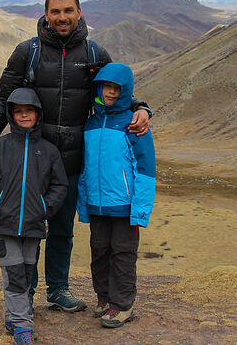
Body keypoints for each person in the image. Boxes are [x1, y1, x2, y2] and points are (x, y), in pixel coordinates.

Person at [0, 0, 151, 313]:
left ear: (79, 13)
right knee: (27, 229)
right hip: (31, 159)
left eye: (68, 11)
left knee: (62, 229)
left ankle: (57, 289)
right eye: (55, 12)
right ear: (45, 14)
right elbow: (3, 97)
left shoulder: (94, 54)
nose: (61, 18)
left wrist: (142, 108)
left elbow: (119, 91)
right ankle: (23, 298)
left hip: (71, 161)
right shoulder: (25, 52)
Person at [0, 87, 68, 344]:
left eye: (29, 111)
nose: (24, 116)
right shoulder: (1, 146)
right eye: (18, 112)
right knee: (15, 276)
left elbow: (60, 186)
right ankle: (23, 328)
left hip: (34, 225)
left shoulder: (49, 151)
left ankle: (11, 317)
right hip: (5, 225)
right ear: (11, 115)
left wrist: (44, 208)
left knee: (25, 275)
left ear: (37, 114)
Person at [76, 62, 156, 328]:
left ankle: (122, 306)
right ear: (98, 88)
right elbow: (86, 168)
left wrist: (140, 210)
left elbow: (145, 170)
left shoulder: (133, 124)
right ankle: (104, 299)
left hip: (124, 205)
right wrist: (84, 205)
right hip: (97, 204)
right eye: (105, 87)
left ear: (126, 91)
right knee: (99, 251)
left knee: (122, 254)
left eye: (116, 88)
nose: (110, 92)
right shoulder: (90, 124)